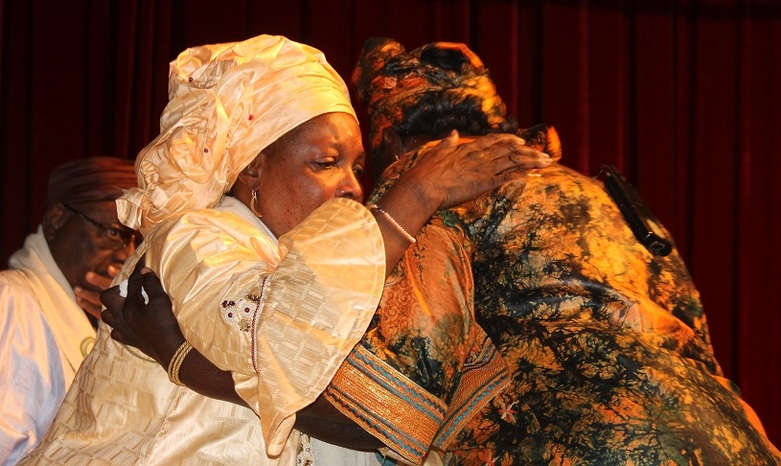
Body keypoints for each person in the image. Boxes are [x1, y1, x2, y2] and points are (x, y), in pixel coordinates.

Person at [19, 34, 551, 465]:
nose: (351, 188)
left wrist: (177, 356)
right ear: (251, 165)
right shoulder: (196, 239)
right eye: (325, 163)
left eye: (358, 168)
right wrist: (416, 195)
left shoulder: (335, 263)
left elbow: (390, 417)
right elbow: (277, 339)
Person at [324, 37, 780, 464]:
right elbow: (694, 331)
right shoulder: (592, 190)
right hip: (729, 435)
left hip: (593, 441)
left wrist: (272, 394)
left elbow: (416, 361)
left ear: (393, 137)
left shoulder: (434, 178)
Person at [0, 157, 138, 465]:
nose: (127, 256)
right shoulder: (10, 301)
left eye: (136, 241)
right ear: (57, 220)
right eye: (114, 233)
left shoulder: (103, 320)